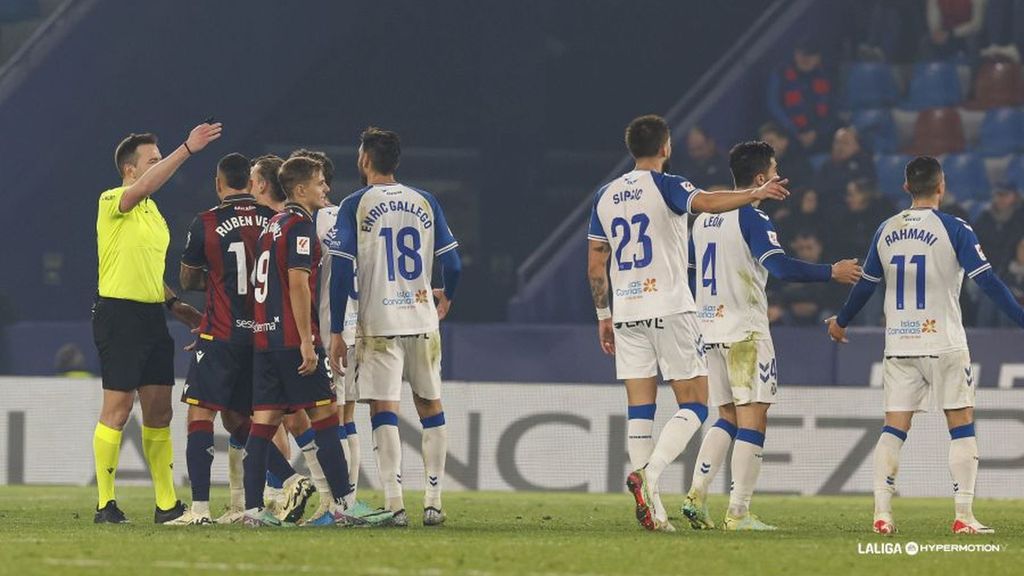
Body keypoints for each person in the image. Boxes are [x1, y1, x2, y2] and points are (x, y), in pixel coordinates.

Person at [586, 114, 789, 532]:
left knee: (639, 409)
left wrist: (603, 315)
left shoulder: (605, 195)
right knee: (695, 404)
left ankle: (655, 510)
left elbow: (595, 265)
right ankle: (649, 475)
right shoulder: (668, 185)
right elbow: (708, 203)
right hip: (670, 307)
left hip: (625, 312)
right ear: (666, 147)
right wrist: (754, 193)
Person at [827, 156, 1024, 535]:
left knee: (893, 428)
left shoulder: (885, 229)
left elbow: (866, 286)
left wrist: (841, 321)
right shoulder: (954, 228)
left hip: (900, 344)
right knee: (961, 425)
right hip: (944, 342)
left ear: (906, 187)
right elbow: (988, 282)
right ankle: (963, 516)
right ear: (941, 186)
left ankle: (882, 514)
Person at [683, 141, 861, 531]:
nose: (780, 176)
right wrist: (831, 272)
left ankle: (696, 494)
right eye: (776, 170)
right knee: (753, 419)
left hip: (709, 329)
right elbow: (779, 268)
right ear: (761, 178)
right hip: (745, 332)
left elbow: (692, 272)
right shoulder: (752, 217)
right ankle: (739, 513)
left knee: (726, 416)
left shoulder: (704, 220)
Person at [242, 156, 392, 527]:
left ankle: (252, 510)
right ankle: (344, 505)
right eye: (319, 182)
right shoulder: (300, 227)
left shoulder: (271, 225)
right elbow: (297, 285)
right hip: (293, 342)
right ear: (300, 189)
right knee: (326, 418)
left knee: (262, 424)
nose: (325, 188)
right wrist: (308, 343)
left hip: (265, 340)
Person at [328, 127, 462, 527]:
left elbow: (341, 270)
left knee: (384, 409)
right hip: (422, 320)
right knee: (430, 406)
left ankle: (395, 503)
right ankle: (434, 502)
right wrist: (447, 296)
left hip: (379, 325)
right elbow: (453, 263)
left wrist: (336, 330)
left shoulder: (355, 204)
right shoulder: (425, 200)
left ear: (365, 159)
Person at [170, 153, 313, 525]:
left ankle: (199, 509)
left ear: (219, 184)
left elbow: (188, 279)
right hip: (262, 335)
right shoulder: (273, 220)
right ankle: (291, 479)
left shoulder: (206, 222)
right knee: (237, 419)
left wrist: (220, 279)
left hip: (221, 332)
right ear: (250, 183)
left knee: (200, 413)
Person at [92, 122, 220, 524]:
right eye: (153, 160)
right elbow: (141, 190)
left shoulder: (153, 213)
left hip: (151, 316)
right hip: (119, 314)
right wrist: (186, 149)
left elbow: (147, 268)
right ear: (130, 169)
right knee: (117, 409)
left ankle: (166, 506)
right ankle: (105, 504)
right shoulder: (113, 199)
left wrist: (176, 305)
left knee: (159, 411)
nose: (160, 164)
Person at [766, 38, 836, 153]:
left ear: (818, 58)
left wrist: (816, 131)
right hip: (789, 135)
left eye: (811, 55)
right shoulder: (781, 74)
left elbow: (832, 106)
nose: (806, 59)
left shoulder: (826, 76)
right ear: (795, 54)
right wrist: (796, 131)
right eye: (802, 54)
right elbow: (773, 106)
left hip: (820, 134)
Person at [813, 127, 876, 216]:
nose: (840, 147)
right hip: (830, 211)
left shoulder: (864, 162)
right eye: (837, 142)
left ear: (856, 146)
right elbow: (819, 190)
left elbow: (867, 189)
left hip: (857, 211)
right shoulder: (827, 165)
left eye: (845, 143)